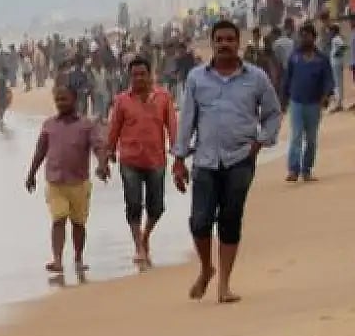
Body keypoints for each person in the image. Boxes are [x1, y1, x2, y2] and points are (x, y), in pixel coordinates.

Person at [173, 20, 282, 304]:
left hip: (240, 159)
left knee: (230, 220)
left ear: (238, 43)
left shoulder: (256, 78)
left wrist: (261, 141)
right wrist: (179, 158)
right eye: (219, 39)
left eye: (229, 39)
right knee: (199, 221)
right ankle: (206, 268)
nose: (224, 44)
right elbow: (187, 120)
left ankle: (224, 284)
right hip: (205, 160)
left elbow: (273, 112)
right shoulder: (197, 78)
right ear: (212, 43)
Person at [25, 85, 109, 274]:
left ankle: (78, 258)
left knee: (78, 223)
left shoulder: (86, 125)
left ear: (75, 100)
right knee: (58, 219)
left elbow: (98, 147)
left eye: (65, 99)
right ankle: (57, 260)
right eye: (58, 100)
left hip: (79, 183)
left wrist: (102, 165)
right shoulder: (48, 125)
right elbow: (40, 151)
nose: (61, 103)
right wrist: (31, 175)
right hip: (55, 182)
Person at [103, 57, 178, 269]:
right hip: (129, 160)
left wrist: (178, 154)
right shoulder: (121, 100)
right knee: (134, 204)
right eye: (134, 75)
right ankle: (139, 246)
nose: (138, 79)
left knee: (157, 207)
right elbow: (113, 129)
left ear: (150, 74)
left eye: (142, 74)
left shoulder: (163, 97)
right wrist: (108, 154)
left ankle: (145, 235)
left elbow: (172, 126)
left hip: (156, 160)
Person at [281, 22, 334, 182]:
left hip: (314, 104)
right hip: (296, 103)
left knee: (311, 139)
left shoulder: (321, 59)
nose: (304, 38)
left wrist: (325, 96)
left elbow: (328, 80)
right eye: (301, 35)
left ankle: (307, 170)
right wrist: (283, 100)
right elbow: (287, 79)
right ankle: (293, 170)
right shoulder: (294, 57)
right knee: (296, 136)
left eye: (307, 35)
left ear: (313, 37)